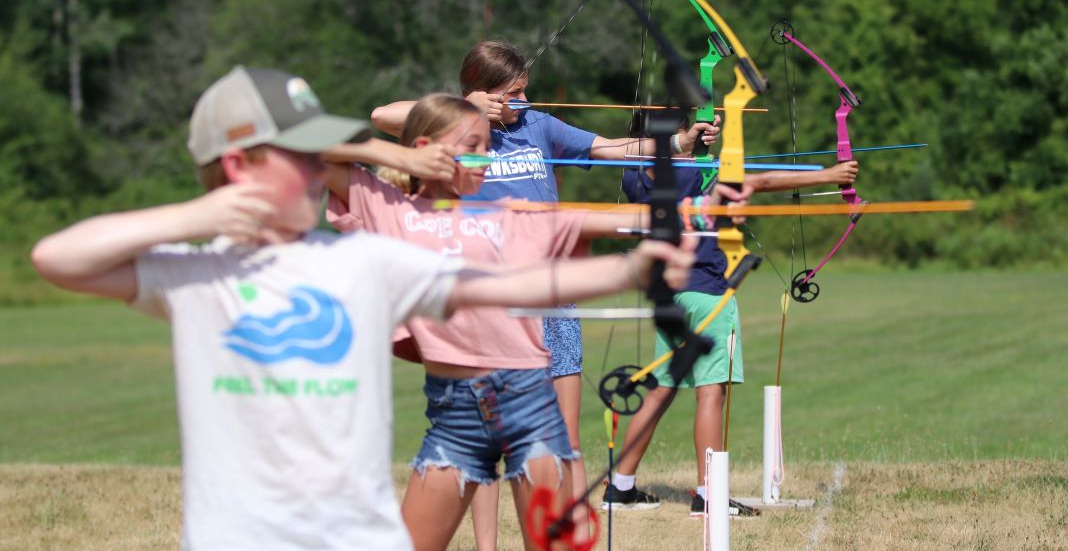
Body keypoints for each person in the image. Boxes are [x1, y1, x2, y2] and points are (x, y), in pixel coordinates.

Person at [29, 65, 697, 551]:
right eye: (304, 158)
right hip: (431, 422)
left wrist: (633, 265)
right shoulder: (210, 275)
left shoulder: (361, 262)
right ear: (241, 167)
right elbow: (59, 258)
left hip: (475, 438)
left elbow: (496, 287)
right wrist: (205, 212)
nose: (321, 170)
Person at [323, 93, 747, 551]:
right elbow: (310, 145)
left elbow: (604, 221)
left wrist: (696, 213)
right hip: (456, 414)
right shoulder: (390, 209)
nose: (488, 159)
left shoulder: (509, 215)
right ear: (427, 147)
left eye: (489, 145)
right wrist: (401, 154)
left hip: (530, 409)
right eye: (475, 147)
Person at [603, 146, 859, 517]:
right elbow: (761, 180)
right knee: (711, 394)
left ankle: (621, 487)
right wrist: (831, 176)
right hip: (707, 295)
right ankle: (709, 495)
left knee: (659, 390)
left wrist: (700, 145)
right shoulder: (697, 175)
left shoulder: (637, 179)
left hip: (671, 293)